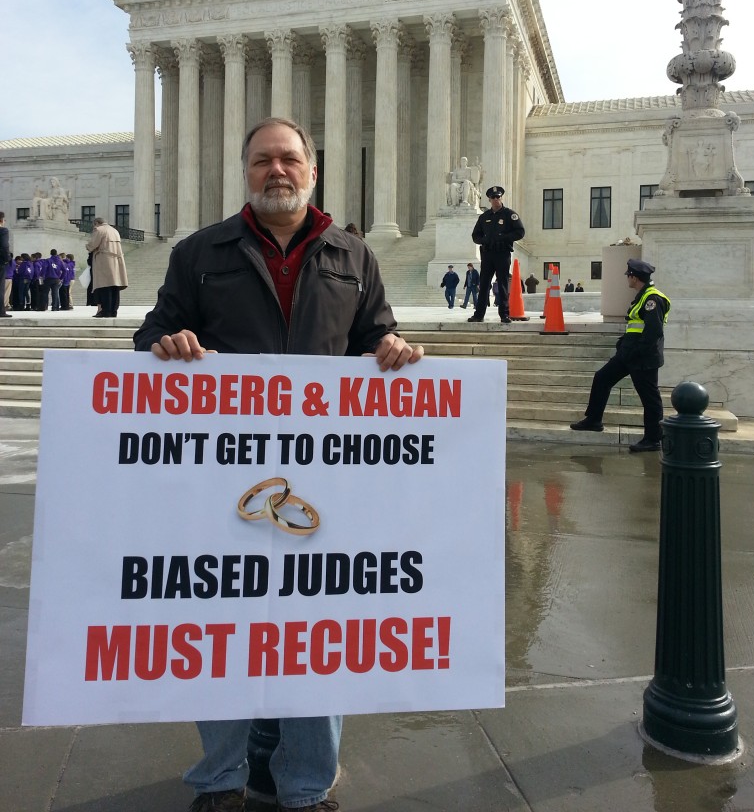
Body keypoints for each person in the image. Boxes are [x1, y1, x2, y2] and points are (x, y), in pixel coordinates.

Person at [134, 116, 424, 812]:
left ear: (312, 171)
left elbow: (375, 335)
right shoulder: (201, 251)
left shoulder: (353, 255)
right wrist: (166, 344)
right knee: (222, 629)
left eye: (289, 160)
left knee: (318, 636)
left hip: (323, 478)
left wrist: (394, 351)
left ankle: (306, 785)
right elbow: (152, 331)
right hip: (224, 476)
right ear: (246, 171)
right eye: (263, 160)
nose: (277, 171)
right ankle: (219, 779)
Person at [570, 259, 671, 452]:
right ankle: (594, 419)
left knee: (650, 398)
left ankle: (653, 439)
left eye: (628, 276)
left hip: (643, 358)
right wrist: (623, 344)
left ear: (634, 277)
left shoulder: (652, 299)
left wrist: (634, 350)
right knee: (602, 378)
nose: (627, 279)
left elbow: (653, 332)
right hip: (629, 354)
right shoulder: (642, 296)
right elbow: (635, 325)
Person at [467, 186, 525, 325]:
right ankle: (479, 314)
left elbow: (520, 232)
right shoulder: (484, 217)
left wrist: (504, 237)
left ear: (501, 198)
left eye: (498, 197)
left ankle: (504, 315)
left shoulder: (509, 215)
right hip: (487, 254)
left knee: (503, 284)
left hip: (502, 253)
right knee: (484, 284)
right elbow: (475, 235)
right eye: (493, 198)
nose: (496, 200)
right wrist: (483, 240)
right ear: (489, 200)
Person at [85, 218, 128, 318]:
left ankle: (106, 311)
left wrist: (87, 246)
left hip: (104, 260)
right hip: (116, 261)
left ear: (96, 223)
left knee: (104, 286)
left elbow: (92, 245)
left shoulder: (99, 230)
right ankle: (113, 310)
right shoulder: (114, 231)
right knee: (114, 286)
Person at [0, 213, 10, 317]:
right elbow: (4, 246)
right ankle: (0, 311)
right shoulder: (3, 231)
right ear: (2, 220)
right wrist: (7, 259)